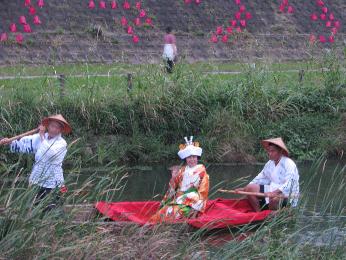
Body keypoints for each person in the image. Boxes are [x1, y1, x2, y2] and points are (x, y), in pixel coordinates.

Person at [0, 114, 71, 210]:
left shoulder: (62, 143)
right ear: (48, 126)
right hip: (38, 177)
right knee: (37, 205)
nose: (54, 129)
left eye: (58, 128)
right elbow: (25, 142)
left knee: (53, 207)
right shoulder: (40, 137)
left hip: (53, 180)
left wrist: (42, 136)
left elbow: (50, 153)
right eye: (52, 126)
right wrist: (10, 142)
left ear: (61, 130)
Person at [151, 136, 209, 222]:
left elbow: (203, 193)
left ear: (197, 158)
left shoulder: (202, 172)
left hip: (193, 202)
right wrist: (173, 177)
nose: (192, 159)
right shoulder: (182, 170)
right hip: (179, 199)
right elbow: (173, 187)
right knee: (164, 211)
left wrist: (188, 197)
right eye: (189, 157)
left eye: (194, 157)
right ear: (186, 159)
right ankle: (155, 223)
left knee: (175, 212)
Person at [236, 137, 299, 212]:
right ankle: (258, 214)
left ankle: (272, 215)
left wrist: (274, 193)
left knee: (274, 199)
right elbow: (261, 177)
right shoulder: (270, 163)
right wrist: (245, 189)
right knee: (250, 188)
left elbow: (290, 183)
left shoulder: (288, 163)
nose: (269, 153)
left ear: (280, 151)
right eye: (268, 151)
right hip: (272, 189)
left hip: (287, 193)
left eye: (272, 151)